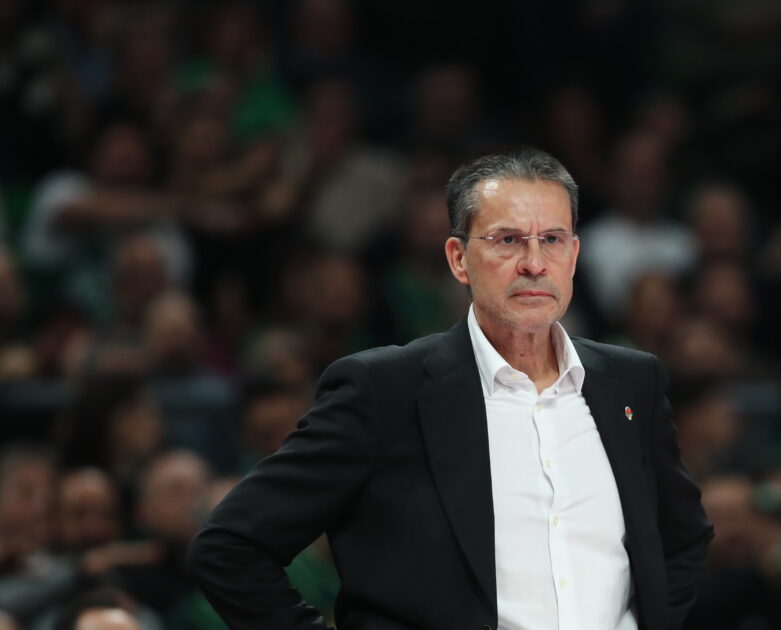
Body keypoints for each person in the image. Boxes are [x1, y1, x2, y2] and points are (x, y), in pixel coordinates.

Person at [188, 147, 714, 629]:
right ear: (459, 259)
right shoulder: (383, 390)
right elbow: (231, 546)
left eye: (552, 240)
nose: (534, 263)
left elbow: (684, 538)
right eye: (507, 240)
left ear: (574, 256)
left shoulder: (631, 382)